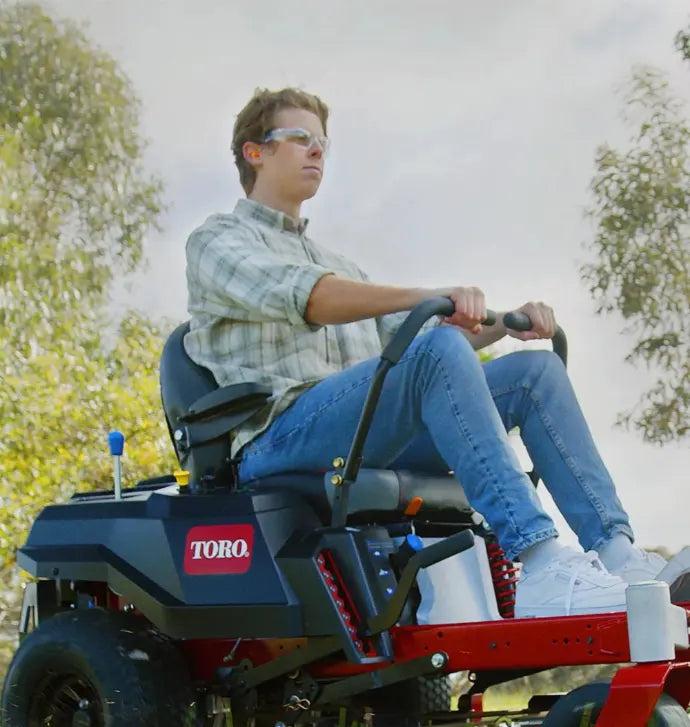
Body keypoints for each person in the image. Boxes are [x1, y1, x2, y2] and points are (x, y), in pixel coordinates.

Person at [184, 87, 676, 618]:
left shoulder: (337, 262)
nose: (318, 151)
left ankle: (617, 553)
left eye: (323, 141)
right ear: (254, 151)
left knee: (535, 372)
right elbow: (312, 297)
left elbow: (427, 344)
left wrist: (508, 324)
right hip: (278, 439)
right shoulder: (218, 241)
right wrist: (431, 299)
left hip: (362, 428)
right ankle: (540, 563)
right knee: (437, 349)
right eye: (300, 138)